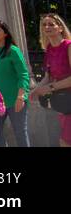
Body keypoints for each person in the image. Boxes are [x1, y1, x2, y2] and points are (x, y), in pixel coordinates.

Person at [0, 19, 29, 147]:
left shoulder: (13, 50)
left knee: (20, 133)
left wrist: (21, 97)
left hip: (15, 98)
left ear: (6, 33)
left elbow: (23, 75)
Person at [29, 13, 71, 147]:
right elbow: (48, 77)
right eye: (44, 24)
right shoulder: (49, 50)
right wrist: (35, 91)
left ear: (60, 28)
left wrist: (49, 88)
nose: (47, 27)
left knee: (65, 141)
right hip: (62, 102)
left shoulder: (69, 46)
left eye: (51, 24)